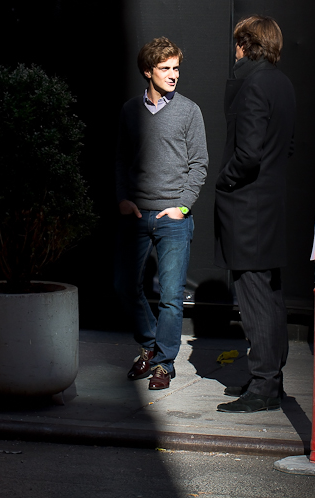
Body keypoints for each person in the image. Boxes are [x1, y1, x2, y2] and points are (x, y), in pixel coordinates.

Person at [213, 15, 296, 413]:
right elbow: (286, 147)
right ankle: (269, 378)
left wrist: (223, 182)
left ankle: (264, 386)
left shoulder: (253, 83)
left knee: (256, 297)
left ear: (246, 44)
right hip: (270, 205)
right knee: (270, 294)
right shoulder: (282, 83)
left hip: (247, 208)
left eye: (237, 44)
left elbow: (247, 155)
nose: (234, 51)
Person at [115, 37, 208, 390]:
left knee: (171, 296)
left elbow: (199, 164)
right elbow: (122, 160)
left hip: (173, 219)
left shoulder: (189, 111)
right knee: (124, 285)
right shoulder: (129, 111)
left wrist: (182, 207)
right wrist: (123, 199)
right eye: (166, 68)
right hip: (136, 215)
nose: (173, 75)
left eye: (176, 69)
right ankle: (151, 347)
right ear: (147, 71)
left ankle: (163, 364)